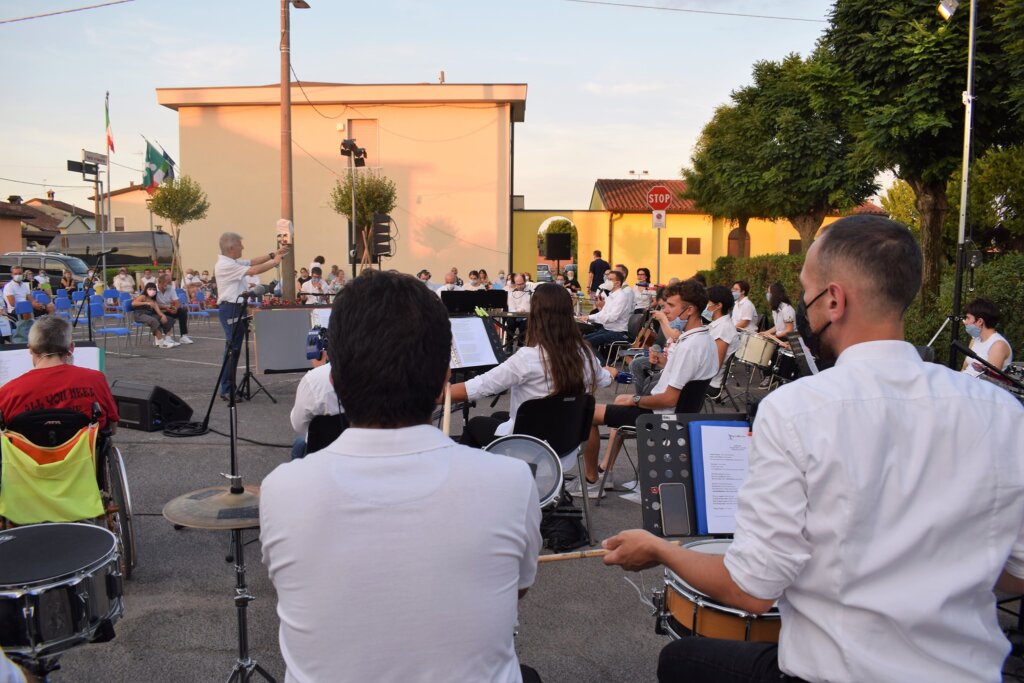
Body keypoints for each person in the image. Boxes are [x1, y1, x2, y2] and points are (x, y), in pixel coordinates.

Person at [602, 215, 1024, 683]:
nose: (801, 306)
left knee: (680, 661)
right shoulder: (1002, 411)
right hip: (970, 673)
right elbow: (1017, 572)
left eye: (806, 292)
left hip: (842, 673)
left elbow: (750, 590)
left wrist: (660, 549)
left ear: (835, 300)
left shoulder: (796, 410)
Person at [260, 269, 542, 683]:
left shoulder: (281, 490)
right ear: (445, 378)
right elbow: (515, 588)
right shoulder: (513, 482)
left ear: (334, 378)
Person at [573, 280, 717, 497]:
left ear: (690, 310)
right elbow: (685, 378)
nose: (665, 310)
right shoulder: (704, 340)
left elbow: (669, 399)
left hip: (661, 416)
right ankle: (605, 470)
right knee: (619, 401)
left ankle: (591, 480)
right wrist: (663, 362)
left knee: (588, 413)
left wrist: (636, 400)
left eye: (671, 305)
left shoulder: (690, 346)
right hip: (676, 414)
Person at [450, 282, 611, 448]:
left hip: (530, 445)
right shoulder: (585, 353)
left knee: (475, 425)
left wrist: (438, 393)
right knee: (499, 416)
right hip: (565, 444)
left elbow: (477, 387)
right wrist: (611, 372)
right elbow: (604, 379)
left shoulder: (527, 358)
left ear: (536, 315)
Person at [0, 315, 119, 432]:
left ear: (30, 348)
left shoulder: (7, 393)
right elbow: (112, 427)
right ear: (71, 347)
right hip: (86, 445)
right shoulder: (96, 380)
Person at [215, 232, 288, 400]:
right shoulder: (225, 265)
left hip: (236, 307)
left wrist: (273, 254)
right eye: (240, 245)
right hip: (230, 308)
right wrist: (275, 262)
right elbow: (253, 270)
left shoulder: (230, 261)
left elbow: (252, 262)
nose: (243, 247)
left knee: (235, 349)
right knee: (232, 349)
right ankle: (226, 389)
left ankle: (230, 387)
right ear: (231, 248)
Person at [289, 354, 344, 460]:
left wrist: (320, 370)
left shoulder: (313, 379)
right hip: (370, 450)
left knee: (299, 444)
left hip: (323, 452)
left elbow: (298, 425)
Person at [579, 270, 633, 351]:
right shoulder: (611, 295)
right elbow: (603, 313)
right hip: (607, 329)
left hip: (618, 332)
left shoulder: (621, 297)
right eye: (607, 279)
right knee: (582, 340)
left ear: (617, 283)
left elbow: (612, 317)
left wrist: (592, 318)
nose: (607, 281)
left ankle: (599, 360)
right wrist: (587, 317)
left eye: (610, 279)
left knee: (586, 343)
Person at [961, 297, 1013, 377]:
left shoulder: (998, 345)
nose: (965, 322)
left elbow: (990, 379)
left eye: (968, 318)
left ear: (980, 321)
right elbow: (964, 369)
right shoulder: (975, 340)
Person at [704, 285, 738, 395]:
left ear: (718, 305)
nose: (705, 306)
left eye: (707, 302)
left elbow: (715, 366)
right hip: (703, 379)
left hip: (709, 383)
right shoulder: (717, 325)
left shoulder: (724, 329)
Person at [132, 281, 178, 348]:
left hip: (149, 314)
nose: (152, 291)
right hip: (140, 314)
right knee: (153, 321)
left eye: (154, 289)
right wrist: (146, 303)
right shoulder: (143, 297)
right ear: (146, 289)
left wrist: (163, 316)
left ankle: (168, 339)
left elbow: (158, 311)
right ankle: (161, 342)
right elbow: (134, 303)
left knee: (169, 319)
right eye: (150, 289)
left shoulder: (153, 301)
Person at [154, 272, 193, 344]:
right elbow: (153, 304)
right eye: (167, 282)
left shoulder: (170, 288)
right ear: (160, 282)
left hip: (169, 309)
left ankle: (183, 336)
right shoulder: (154, 289)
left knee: (182, 311)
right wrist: (165, 307)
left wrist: (175, 308)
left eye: (170, 282)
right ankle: (167, 338)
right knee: (168, 318)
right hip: (158, 311)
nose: (169, 284)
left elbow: (177, 302)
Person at [504, 273, 531, 352]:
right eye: (517, 284)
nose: (520, 286)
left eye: (522, 284)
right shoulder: (511, 293)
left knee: (524, 326)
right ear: (514, 283)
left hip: (526, 316)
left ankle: (520, 345)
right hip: (514, 315)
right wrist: (517, 311)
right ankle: (509, 345)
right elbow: (511, 308)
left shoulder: (531, 292)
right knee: (510, 323)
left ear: (525, 282)